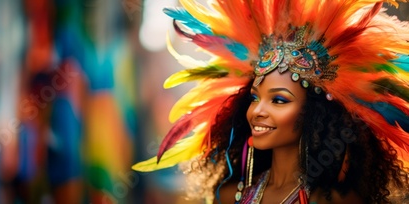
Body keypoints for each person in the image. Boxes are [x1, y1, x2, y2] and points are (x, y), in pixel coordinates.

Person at [133, 0, 409, 203]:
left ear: (316, 113)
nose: (257, 111)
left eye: (278, 100)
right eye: (255, 97)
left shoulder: (335, 201)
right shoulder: (230, 195)